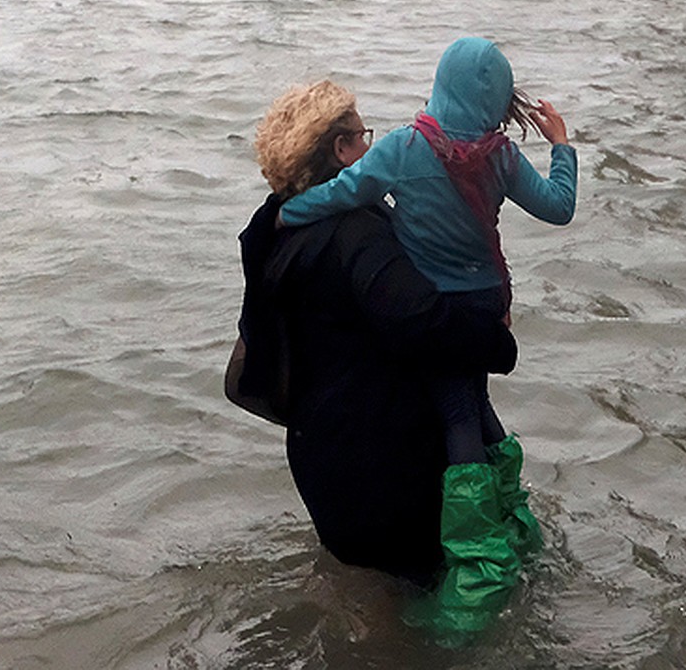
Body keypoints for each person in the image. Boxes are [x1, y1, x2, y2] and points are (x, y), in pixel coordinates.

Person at [278, 37, 577, 638]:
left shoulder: (403, 148)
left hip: (440, 311)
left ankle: (477, 569)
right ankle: (516, 522)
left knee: (458, 413)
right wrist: (562, 147)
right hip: (490, 302)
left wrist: (286, 213)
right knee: (479, 404)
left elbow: (345, 191)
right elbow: (558, 207)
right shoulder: (499, 158)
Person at [229, 80, 518, 590]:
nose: (370, 147)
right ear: (341, 150)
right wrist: (499, 344)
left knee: (361, 599)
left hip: (318, 456)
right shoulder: (356, 233)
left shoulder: (271, 227)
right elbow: (422, 321)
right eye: (362, 136)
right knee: (421, 603)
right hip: (385, 466)